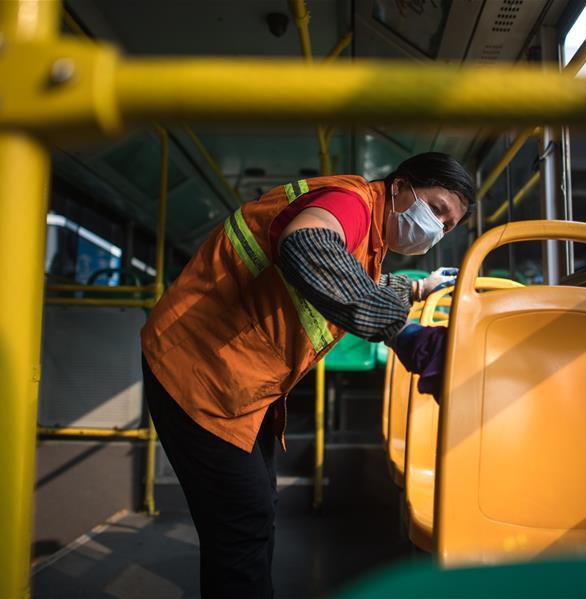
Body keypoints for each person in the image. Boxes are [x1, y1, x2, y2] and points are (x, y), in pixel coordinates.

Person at [140, 152, 473, 597]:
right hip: (197, 371)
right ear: (400, 186)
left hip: (238, 384)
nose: (436, 229)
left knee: (257, 510)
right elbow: (308, 243)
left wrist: (417, 288)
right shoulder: (351, 202)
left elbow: (352, 277)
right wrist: (402, 332)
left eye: (447, 227)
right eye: (435, 209)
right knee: (242, 522)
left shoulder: (367, 232)